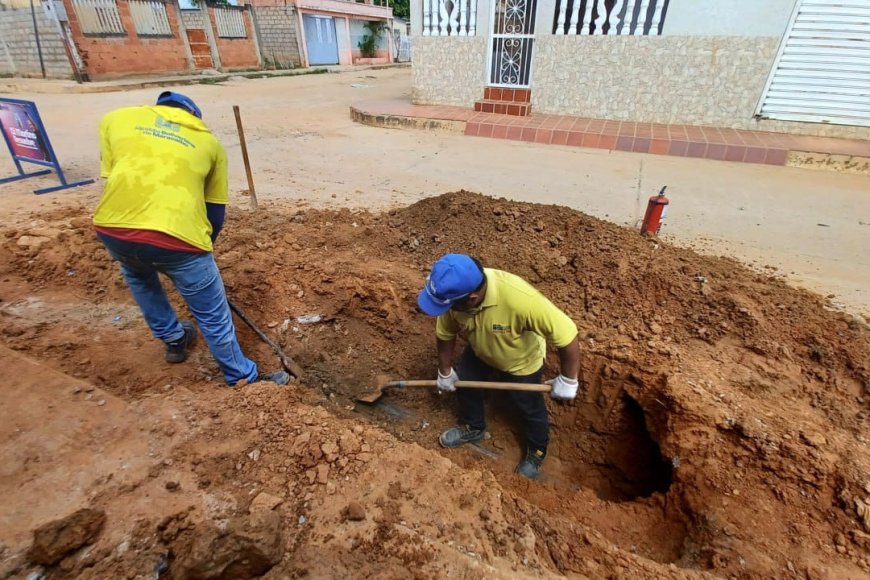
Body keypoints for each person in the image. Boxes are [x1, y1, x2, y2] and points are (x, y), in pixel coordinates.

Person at [93, 91, 288, 386]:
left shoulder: (115, 120)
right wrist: (202, 248)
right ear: (193, 118)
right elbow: (215, 213)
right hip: (178, 241)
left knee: (140, 278)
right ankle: (242, 376)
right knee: (213, 314)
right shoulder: (209, 143)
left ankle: (174, 339)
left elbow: (114, 178)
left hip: (114, 229)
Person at [417, 253, 581, 480]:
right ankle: (474, 427)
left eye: (450, 306)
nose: (446, 310)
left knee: (528, 408)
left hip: (521, 363)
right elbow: (445, 334)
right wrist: (445, 371)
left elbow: (568, 335)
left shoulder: (520, 300)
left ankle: (536, 451)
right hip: (480, 350)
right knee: (465, 384)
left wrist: (569, 379)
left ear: (472, 298)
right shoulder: (454, 299)